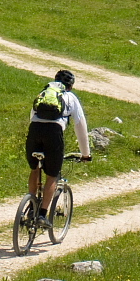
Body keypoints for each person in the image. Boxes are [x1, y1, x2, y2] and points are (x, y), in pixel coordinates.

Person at [26, 69, 92, 228]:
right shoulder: (71, 97)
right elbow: (80, 126)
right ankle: (42, 215)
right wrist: (85, 154)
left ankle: (30, 207)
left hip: (34, 131)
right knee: (52, 175)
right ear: (71, 86)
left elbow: (32, 117)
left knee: (35, 169)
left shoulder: (44, 94)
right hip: (53, 133)